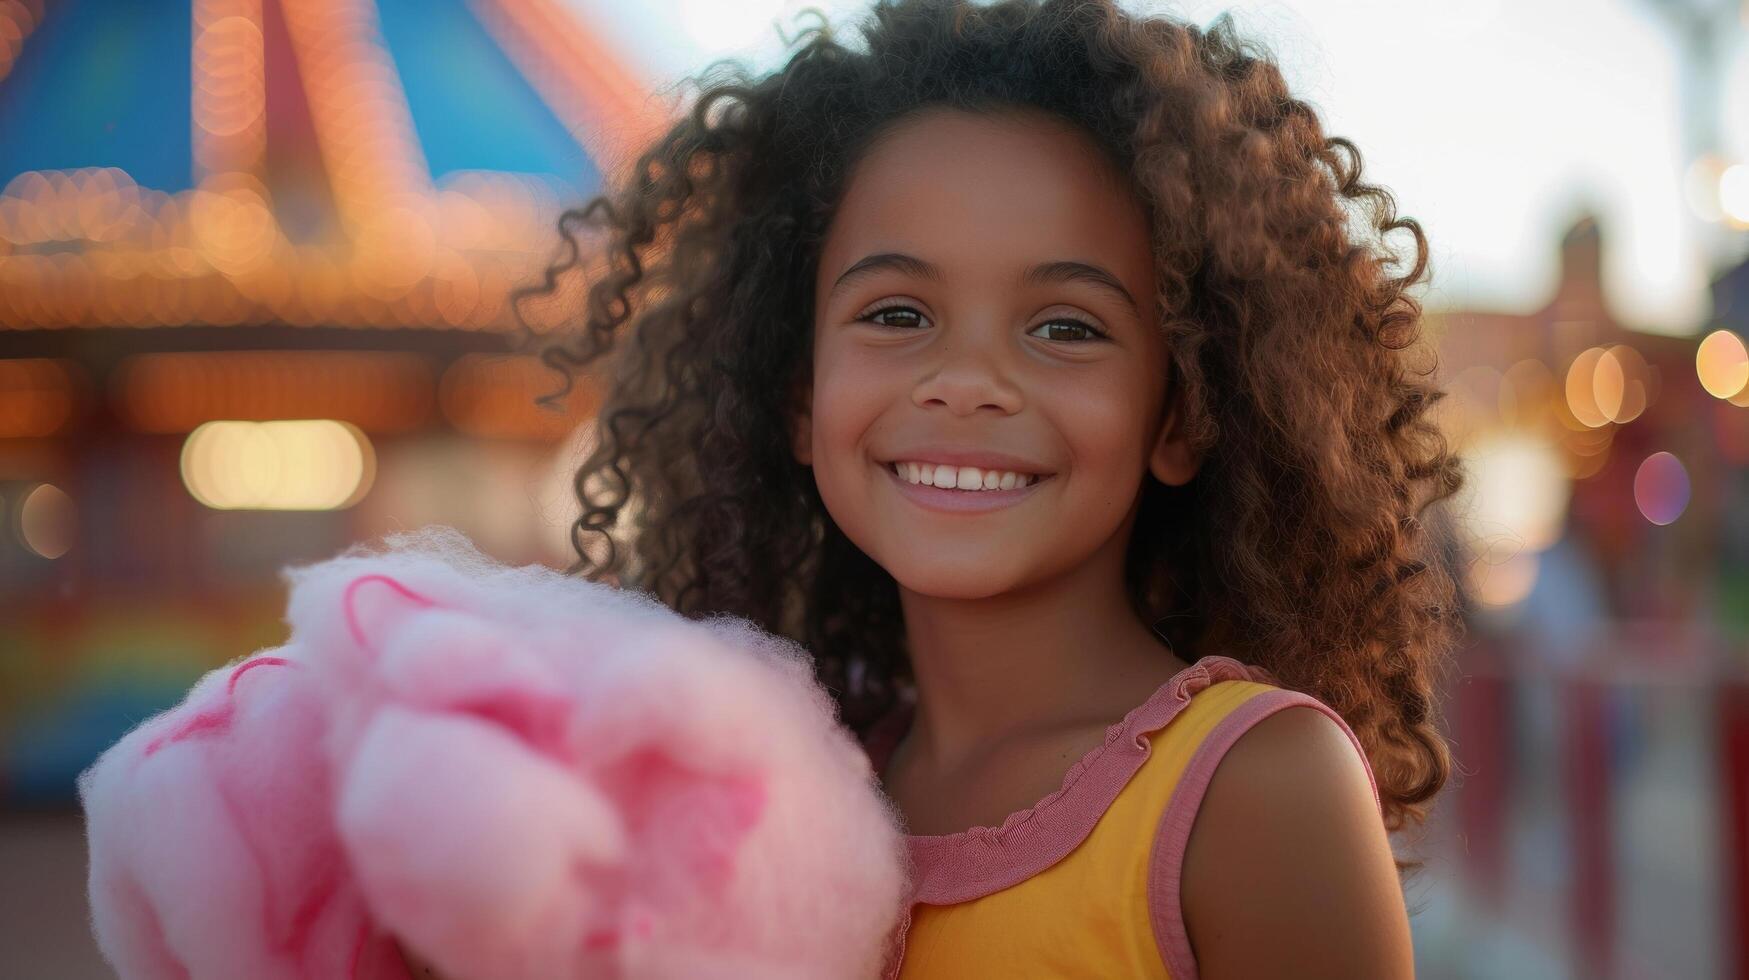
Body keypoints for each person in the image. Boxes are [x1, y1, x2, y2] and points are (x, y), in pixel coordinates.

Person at [522, 0, 1465, 975]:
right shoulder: (794, 786)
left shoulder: (1253, 792)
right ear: (800, 396)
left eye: (1065, 326)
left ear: (1182, 415)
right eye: (896, 312)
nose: (967, 381)